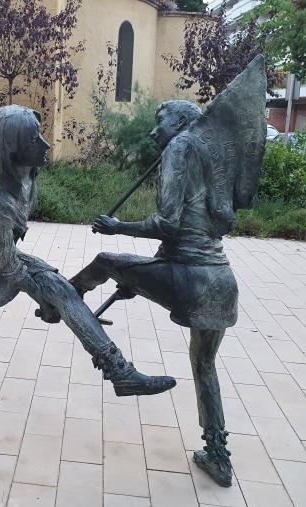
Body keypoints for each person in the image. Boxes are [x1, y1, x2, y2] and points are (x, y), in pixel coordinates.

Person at [0, 105, 176, 476]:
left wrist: (51, 296)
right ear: (14, 149)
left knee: (62, 288)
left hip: (5, 260)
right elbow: (11, 268)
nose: (45, 143)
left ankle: (119, 370)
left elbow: (10, 258)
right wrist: (42, 299)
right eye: (34, 139)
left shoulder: (28, 180)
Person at [70, 100, 240, 487]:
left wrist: (117, 227)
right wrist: (142, 281)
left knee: (105, 260)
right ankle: (218, 456)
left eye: (159, 121)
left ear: (180, 122)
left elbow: (167, 224)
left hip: (187, 279)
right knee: (205, 366)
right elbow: (205, 226)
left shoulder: (180, 147)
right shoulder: (212, 155)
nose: (153, 131)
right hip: (221, 281)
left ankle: (61, 302)